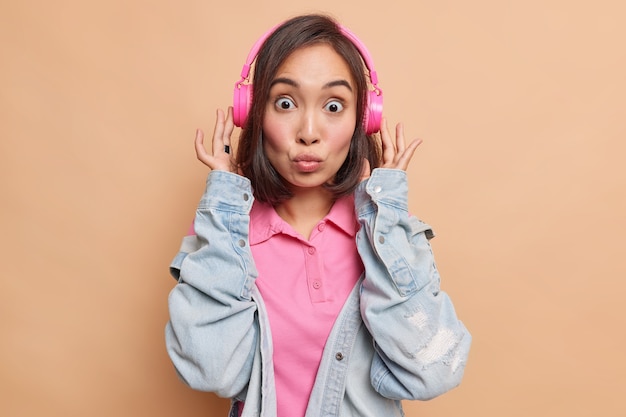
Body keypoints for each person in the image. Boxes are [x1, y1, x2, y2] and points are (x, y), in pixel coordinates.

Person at [165, 13, 471, 417]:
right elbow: (213, 371)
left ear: (364, 120)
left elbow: (433, 370)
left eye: (333, 105)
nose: (309, 131)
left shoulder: (386, 234)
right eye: (286, 103)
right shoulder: (227, 232)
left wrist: (387, 211)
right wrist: (223, 201)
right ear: (252, 113)